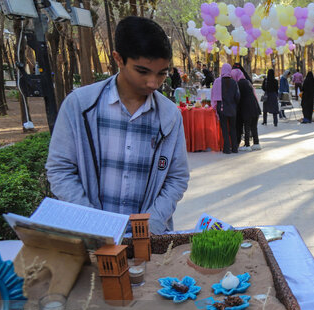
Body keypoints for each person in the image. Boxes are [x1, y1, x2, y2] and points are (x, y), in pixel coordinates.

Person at [46, 16, 189, 235]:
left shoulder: (169, 116)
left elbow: (176, 177)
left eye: (161, 73)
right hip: (91, 237)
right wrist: (92, 223)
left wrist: (153, 224)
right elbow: (60, 170)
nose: (153, 82)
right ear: (118, 59)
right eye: (143, 71)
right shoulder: (81, 106)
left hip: (149, 240)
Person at [212, 63, 240, 154]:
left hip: (222, 108)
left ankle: (227, 149)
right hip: (232, 108)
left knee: (224, 129)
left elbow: (213, 95)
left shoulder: (217, 81)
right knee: (233, 128)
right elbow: (237, 96)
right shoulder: (234, 82)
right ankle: (235, 148)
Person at [232, 68, 261, 151]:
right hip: (255, 107)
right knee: (254, 127)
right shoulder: (247, 82)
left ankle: (247, 145)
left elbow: (238, 97)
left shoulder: (239, 84)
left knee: (247, 126)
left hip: (247, 108)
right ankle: (256, 143)